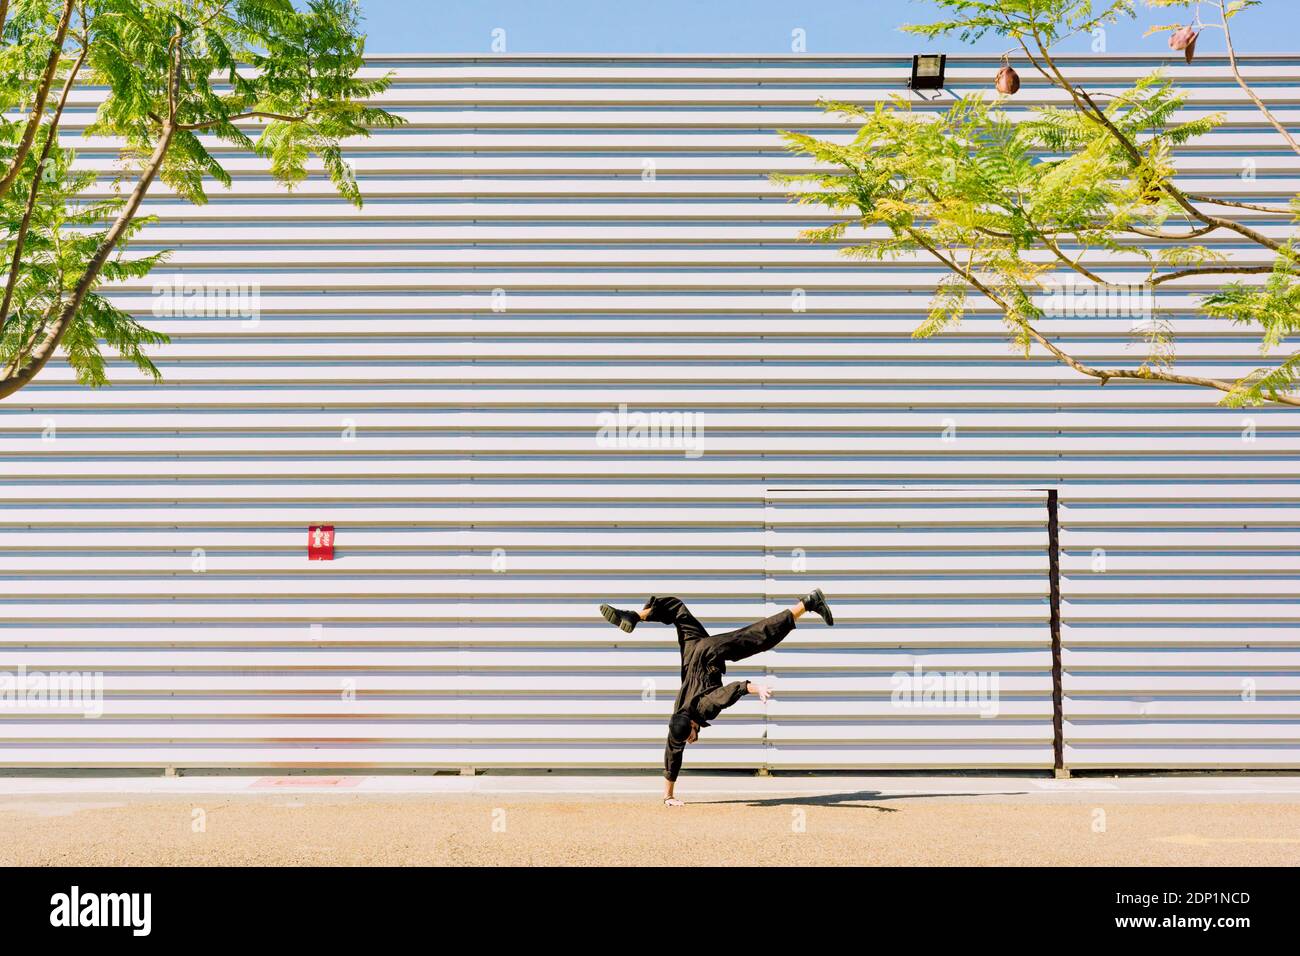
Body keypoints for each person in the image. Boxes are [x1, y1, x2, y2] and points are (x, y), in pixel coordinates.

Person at [599, 589, 833, 806]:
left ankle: (808, 603)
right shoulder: (677, 719)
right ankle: (634, 616)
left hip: (710, 654)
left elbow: (727, 693)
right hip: (693, 650)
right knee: (677, 609)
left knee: (757, 637)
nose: (690, 740)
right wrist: (668, 796)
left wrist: (754, 687)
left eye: (690, 736)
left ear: (693, 724)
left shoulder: (703, 709)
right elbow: (672, 754)